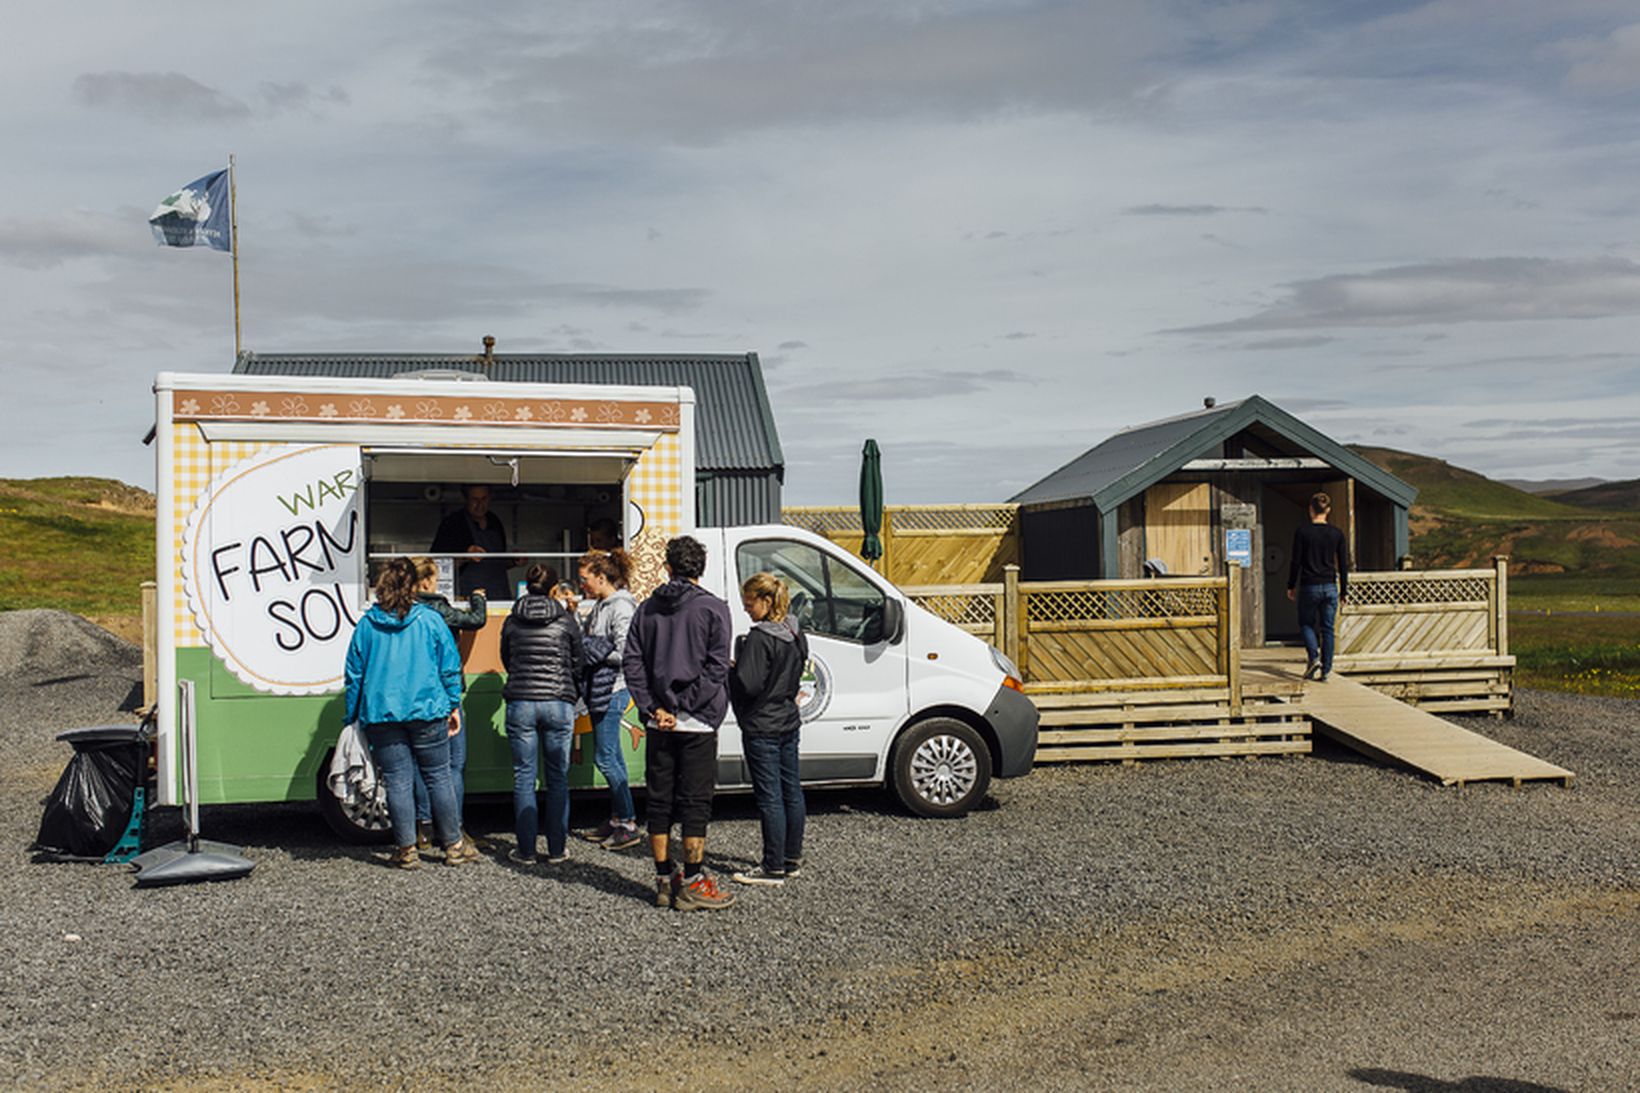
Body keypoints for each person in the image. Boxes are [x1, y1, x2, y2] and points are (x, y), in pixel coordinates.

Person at [622, 535, 735, 911]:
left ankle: (663, 879)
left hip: (659, 722)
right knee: (695, 803)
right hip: (697, 720)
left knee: (659, 803)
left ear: (667, 567)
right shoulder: (714, 608)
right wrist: (682, 705)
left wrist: (654, 707)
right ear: (699, 569)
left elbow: (632, 661)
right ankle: (693, 879)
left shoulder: (646, 609)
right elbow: (717, 667)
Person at [343, 557, 474, 869]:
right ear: (414, 585)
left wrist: (351, 716)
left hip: (382, 715)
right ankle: (453, 845)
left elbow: (354, 675)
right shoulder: (430, 621)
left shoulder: (366, 625)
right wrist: (453, 704)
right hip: (429, 711)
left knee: (398, 781)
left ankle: (406, 849)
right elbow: (450, 667)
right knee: (439, 776)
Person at [500, 564, 584, 865]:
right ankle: (558, 849)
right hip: (559, 701)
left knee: (524, 776)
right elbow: (578, 660)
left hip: (521, 701)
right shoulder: (566, 620)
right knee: (558, 777)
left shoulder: (512, 619)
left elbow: (507, 657)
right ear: (553, 589)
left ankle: (525, 850)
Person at [729, 572, 809, 888]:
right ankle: (792, 857)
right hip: (788, 717)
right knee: (792, 789)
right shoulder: (794, 630)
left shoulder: (761, 638)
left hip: (762, 722)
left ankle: (772, 865)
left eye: (750, 603)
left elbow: (749, 684)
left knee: (769, 796)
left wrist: (732, 672)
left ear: (765, 601)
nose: (747, 609)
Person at [409, 557, 488, 854]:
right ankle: (453, 829)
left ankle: (425, 827)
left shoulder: (403, 609)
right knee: (453, 765)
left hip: (414, 696)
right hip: (444, 696)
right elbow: (475, 620)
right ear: (428, 581)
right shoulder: (437, 608)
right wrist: (478, 598)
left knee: (420, 764)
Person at [574, 548, 641, 851]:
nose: (582, 585)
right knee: (612, 756)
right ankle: (617, 818)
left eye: (585, 579)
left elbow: (627, 653)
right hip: (603, 687)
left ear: (601, 578)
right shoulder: (602, 604)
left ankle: (627, 821)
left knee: (605, 757)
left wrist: (595, 652)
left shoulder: (621, 607)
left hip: (613, 688)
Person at [1287, 491, 1349, 683]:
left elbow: (1295, 561)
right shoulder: (1337, 534)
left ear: (1310, 509)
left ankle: (1314, 657)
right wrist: (1344, 590)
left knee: (1306, 624)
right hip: (1330, 585)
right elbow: (1344, 564)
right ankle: (1326, 670)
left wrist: (1291, 584)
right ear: (1328, 510)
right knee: (1328, 629)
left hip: (1309, 585)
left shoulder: (1302, 532)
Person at [430, 484, 511, 600]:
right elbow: (436, 563)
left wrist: (514, 561)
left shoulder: (495, 522)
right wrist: (465, 556)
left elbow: (499, 562)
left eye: (484, 499)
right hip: (467, 598)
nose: (480, 505)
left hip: (499, 595)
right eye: (475, 500)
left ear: (490, 498)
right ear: (465, 499)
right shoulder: (452, 524)